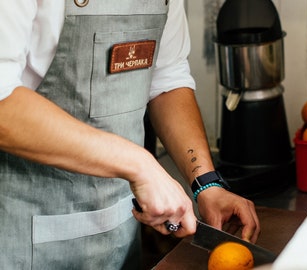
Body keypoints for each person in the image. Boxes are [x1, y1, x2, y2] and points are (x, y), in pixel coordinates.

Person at [0, 0, 260, 269]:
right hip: (21, 238)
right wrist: (141, 165)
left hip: (119, 236)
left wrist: (206, 183)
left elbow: (167, 79)